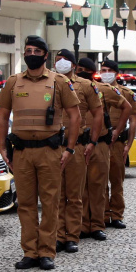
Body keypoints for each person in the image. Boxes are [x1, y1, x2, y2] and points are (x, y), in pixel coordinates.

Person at [0, 36, 80, 271]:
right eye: (28, 50)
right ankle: (30, 252)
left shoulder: (59, 82)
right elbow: (2, 116)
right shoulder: (13, 82)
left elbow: (75, 116)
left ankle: (46, 252)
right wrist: (2, 147)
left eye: (36, 51)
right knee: (25, 203)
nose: (31, 54)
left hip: (49, 151)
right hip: (22, 152)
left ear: (45, 55)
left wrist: (70, 148)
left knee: (50, 202)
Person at [76, 57, 131, 240]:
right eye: (79, 69)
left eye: (85, 70)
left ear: (92, 73)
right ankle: (83, 225)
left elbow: (126, 107)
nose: (81, 73)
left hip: (99, 143)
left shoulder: (103, 89)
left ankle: (98, 224)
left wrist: (116, 131)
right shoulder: (71, 88)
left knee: (98, 187)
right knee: (81, 188)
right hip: (79, 143)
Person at [55, 49, 104, 253]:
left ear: (74, 65)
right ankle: (58, 235)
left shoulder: (85, 85)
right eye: (57, 60)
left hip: (76, 146)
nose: (61, 63)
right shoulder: (49, 83)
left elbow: (98, 112)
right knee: (57, 195)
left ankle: (72, 236)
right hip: (54, 146)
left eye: (65, 60)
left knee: (74, 195)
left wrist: (93, 141)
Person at [100, 59, 136, 229]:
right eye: (103, 70)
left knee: (117, 180)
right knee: (100, 180)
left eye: (109, 70)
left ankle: (116, 214)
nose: (105, 73)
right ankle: (103, 214)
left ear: (116, 73)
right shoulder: (95, 90)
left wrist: (128, 144)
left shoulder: (126, 93)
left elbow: (133, 119)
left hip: (117, 142)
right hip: (101, 141)